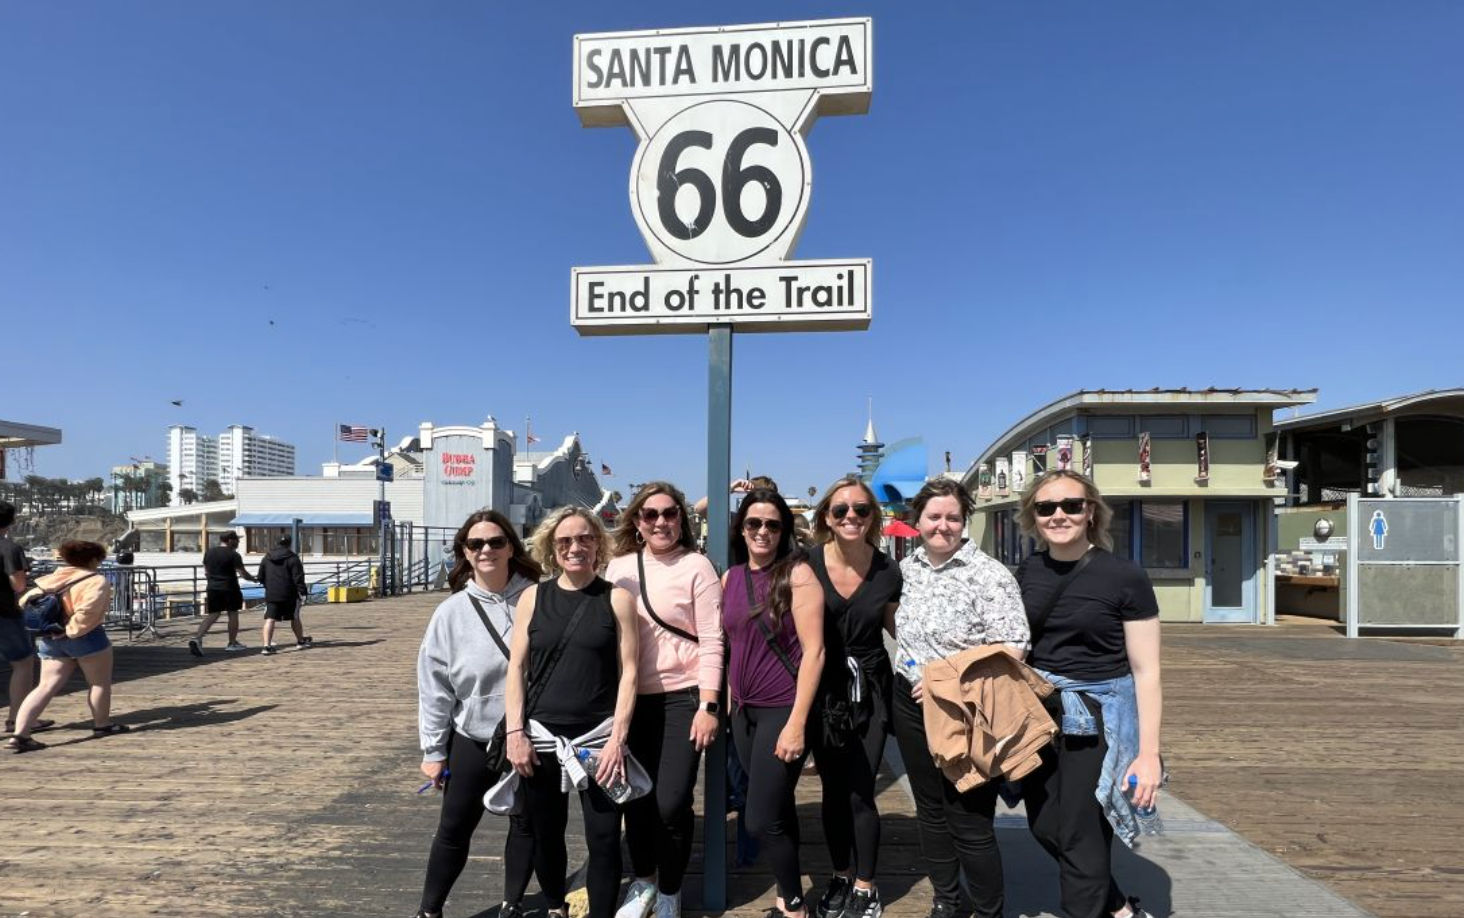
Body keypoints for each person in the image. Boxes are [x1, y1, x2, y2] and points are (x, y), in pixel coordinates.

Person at [1014, 470, 1163, 918]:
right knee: (1044, 826)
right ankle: (1117, 908)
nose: (1059, 515)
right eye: (1046, 508)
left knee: (1082, 832)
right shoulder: (1024, 573)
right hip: (1039, 712)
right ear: (1033, 517)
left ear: (1091, 511)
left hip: (1100, 716)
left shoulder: (1124, 576)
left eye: (1071, 505)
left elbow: (1147, 671)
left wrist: (1148, 754)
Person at [891, 479, 1030, 918]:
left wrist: (945, 681)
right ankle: (947, 900)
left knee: (969, 818)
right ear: (918, 521)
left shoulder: (988, 574)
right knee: (930, 812)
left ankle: (989, 910)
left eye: (953, 517)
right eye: (934, 516)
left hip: (966, 711)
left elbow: (1013, 646)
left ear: (964, 521)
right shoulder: (907, 569)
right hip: (910, 706)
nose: (943, 526)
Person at [505, 507, 638, 918]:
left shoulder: (616, 598)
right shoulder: (532, 597)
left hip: (597, 738)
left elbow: (630, 671)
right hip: (542, 735)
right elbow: (516, 667)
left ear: (598, 543)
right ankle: (554, 907)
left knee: (602, 838)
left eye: (584, 538)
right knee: (547, 833)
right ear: (551, 547)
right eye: (565, 541)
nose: (575, 547)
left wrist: (618, 738)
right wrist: (515, 733)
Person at [414, 511, 542, 918]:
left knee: (525, 824)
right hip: (473, 735)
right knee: (453, 829)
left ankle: (512, 904)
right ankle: (429, 910)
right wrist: (433, 750)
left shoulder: (538, 598)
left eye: (496, 542)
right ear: (465, 554)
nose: (486, 550)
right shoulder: (450, 613)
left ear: (511, 547)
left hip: (528, 734)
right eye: (476, 544)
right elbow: (435, 687)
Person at [606, 482, 725, 918]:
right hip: (630, 700)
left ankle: (671, 888)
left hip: (683, 695)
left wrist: (709, 704)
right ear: (637, 521)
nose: (660, 522)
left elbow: (713, 640)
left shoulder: (697, 566)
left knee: (671, 801)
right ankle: (644, 883)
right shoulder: (616, 568)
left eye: (669, 513)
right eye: (650, 514)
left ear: (682, 518)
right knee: (634, 799)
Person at [722, 489, 824, 918]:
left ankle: (795, 904)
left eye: (772, 524)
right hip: (744, 712)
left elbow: (815, 652)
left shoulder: (797, 576)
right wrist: (727, 707)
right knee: (778, 810)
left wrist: (798, 723)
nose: (762, 531)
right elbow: (729, 646)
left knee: (758, 819)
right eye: (753, 523)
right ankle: (788, 898)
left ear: (784, 531)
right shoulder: (731, 578)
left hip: (782, 709)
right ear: (741, 529)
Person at [805, 476, 902, 918]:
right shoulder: (805, 564)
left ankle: (866, 885)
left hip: (872, 689)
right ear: (826, 516)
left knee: (862, 790)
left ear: (872, 517)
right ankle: (842, 874)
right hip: (824, 690)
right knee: (832, 790)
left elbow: (903, 633)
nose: (851, 517)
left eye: (861, 510)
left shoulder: (887, 571)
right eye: (841, 510)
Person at [7, 540, 129, 752]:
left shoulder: (55, 577)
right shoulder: (96, 581)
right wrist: (70, 631)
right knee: (99, 684)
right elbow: (87, 612)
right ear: (92, 560)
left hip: (50, 637)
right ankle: (102, 725)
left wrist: (54, 630)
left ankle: (21, 734)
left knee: (45, 686)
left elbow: (25, 601)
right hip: (86, 637)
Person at [2, 501, 53, 736]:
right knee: (23, 663)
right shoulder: (9, 548)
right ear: (11, 521)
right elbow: (18, 584)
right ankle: (18, 719)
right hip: (5, 613)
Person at [189, 530, 258, 656]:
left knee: (213, 614)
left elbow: (206, 571)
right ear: (230, 540)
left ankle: (197, 638)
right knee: (233, 613)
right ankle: (232, 643)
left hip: (213, 587)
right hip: (229, 588)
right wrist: (254, 579)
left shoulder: (209, 552)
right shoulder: (233, 555)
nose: (238, 542)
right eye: (237, 540)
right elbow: (242, 573)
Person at [257, 534, 310, 655]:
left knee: (270, 619)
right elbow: (298, 577)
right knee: (295, 617)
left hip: (272, 593)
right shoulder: (293, 558)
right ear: (289, 544)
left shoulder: (267, 557)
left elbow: (260, 576)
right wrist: (303, 592)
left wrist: (268, 585)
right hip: (289, 593)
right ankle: (300, 642)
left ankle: (266, 646)